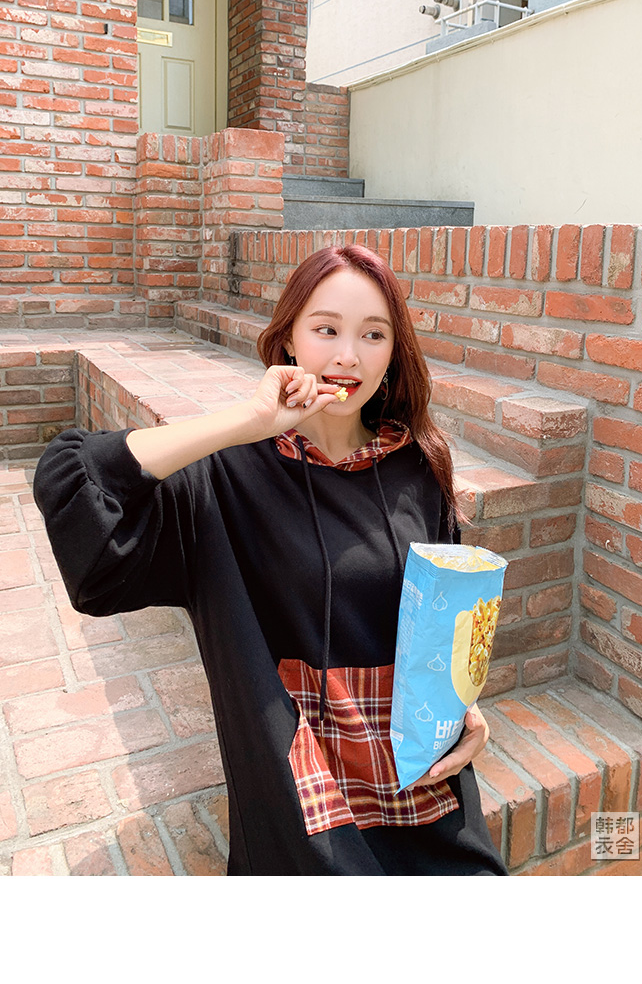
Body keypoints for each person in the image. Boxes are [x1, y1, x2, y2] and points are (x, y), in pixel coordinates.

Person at [33, 244, 509, 877]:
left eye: (374, 334)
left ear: (395, 351)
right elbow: (76, 485)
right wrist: (244, 422)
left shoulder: (418, 467)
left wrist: (465, 709)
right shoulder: (224, 479)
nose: (348, 355)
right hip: (303, 818)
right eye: (326, 330)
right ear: (287, 340)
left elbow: (442, 629)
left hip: (424, 794)